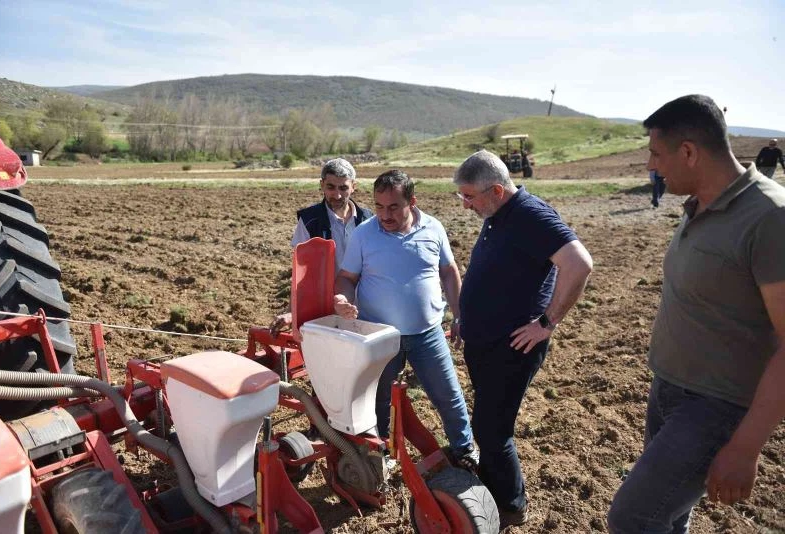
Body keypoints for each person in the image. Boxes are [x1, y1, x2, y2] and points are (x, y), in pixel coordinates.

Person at [608, 95, 785, 533]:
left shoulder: (769, 218)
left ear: (688, 152)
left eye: (656, 153)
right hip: (668, 391)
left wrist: (746, 446)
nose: (652, 165)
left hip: (717, 406)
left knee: (633, 517)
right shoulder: (699, 205)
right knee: (668, 516)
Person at [453, 150, 593, 528]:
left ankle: (511, 506)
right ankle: (496, 485)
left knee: (492, 431)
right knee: (488, 422)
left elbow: (579, 264)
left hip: (513, 346)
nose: (464, 205)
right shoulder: (499, 214)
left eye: (469, 197)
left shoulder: (531, 215)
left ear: (496, 190)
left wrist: (547, 322)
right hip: (487, 342)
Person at [333, 169, 478, 469]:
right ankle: (379, 454)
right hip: (381, 336)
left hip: (428, 334)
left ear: (411, 202)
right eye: (379, 206)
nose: (385, 215)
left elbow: (448, 271)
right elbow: (346, 277)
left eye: (393, 207)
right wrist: (342, 299)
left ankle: (464, 450)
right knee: (377, 398)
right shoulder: (364, 234)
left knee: (448, 395)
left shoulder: (433, 228)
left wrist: (460, 313)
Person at [269, 158, 372, 336]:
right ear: (322, 185)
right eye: (331, 187)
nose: (337, 195)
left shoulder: (368, 220)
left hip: (364, 305)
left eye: (343, 188)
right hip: (325, 306)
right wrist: (293, 312)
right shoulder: (310, 221)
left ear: (354, 186)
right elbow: (302, 273)